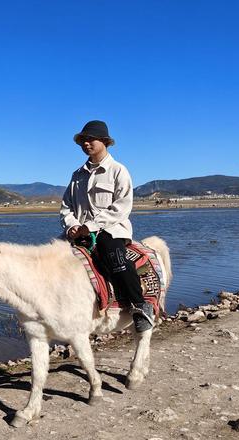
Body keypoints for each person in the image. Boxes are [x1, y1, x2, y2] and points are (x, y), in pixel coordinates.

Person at [60, 120, 154, 332]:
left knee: (116, 259)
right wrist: (72, 226)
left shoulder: (118, 171)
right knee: (51, 257)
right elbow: (66, 206)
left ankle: (140, 306)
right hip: (79, 232)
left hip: (111, 230)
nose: (86, 143)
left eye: (90, 139)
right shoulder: (77, 175)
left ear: (104, 141)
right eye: (83, 140)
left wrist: (91, 226)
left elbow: (122, 206)